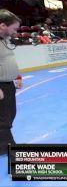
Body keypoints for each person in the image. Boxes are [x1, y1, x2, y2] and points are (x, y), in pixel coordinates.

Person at [0, 9, 22, 155]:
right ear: (3, 26)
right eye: (14, 28)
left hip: (9, 84)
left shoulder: (4, 40)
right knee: (3, 118)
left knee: (10, 114)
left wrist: (17, 76)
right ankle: (7, 147)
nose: (16, 32)